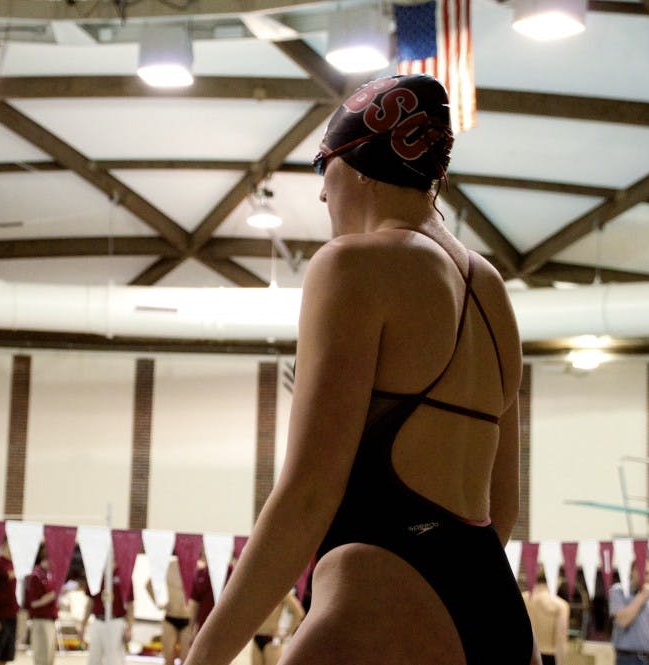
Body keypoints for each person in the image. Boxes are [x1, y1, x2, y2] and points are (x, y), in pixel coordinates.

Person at [183, 74, 531, 665]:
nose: (322, 195)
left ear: (362, 165)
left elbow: (309, 492)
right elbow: (504, 503)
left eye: (324, 167)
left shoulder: (353, 266)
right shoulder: (492, 289)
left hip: (382, 595)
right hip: (493, 604)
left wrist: (204, 655)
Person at [609, 560, 649, 665]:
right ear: (632, 571)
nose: (646, 577)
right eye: (642, 572)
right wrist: (642, 596)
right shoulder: (619, 591)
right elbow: (623, 621)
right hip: (629, 659)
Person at [79, 567, 131, 665]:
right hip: (98, 621)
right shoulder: (96, 572)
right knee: (94, 658)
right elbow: (90, 602)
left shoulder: (123, 573)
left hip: (116, 622)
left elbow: (130, 603)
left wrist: (130, 627)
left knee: (114, 659)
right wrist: (83, 625)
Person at [145, 558, 192, 665]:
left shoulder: (197, 568)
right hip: (170, 618)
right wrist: (159, 604)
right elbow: (149, 584)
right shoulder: (169, 566)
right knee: (168, 659)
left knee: (187, 660)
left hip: (188, 620)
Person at [523, 567, 569, 665]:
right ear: (556, 580)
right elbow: (560, 639)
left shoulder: (522, 598)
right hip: (546, 657)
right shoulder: (560, 605)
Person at [23, 546, 57, 665]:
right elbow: (33, 603)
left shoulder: (48, 575)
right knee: (42, 658)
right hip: (40, 621)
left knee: (49, 658)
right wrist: (51, 596)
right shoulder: (35, 576)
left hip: (50, 620)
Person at [251, 592, 305, 665]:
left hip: (271, 641)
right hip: (257, 638)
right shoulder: (260, 591)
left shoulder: (281, 593)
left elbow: (299, 613)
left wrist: (286, 634)